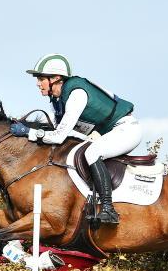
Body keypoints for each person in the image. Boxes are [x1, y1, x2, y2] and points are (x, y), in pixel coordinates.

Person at [21, 53, 142, 224]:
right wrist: (23, 124)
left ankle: (109, 209)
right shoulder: (58, 99)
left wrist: (29, 132)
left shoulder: (76, 94)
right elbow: (53, 124)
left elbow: (58, 136)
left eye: (41, 78)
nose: (37, 83)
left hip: (126, 129)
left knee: (92, 153)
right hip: (110, 132)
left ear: (55, 78)